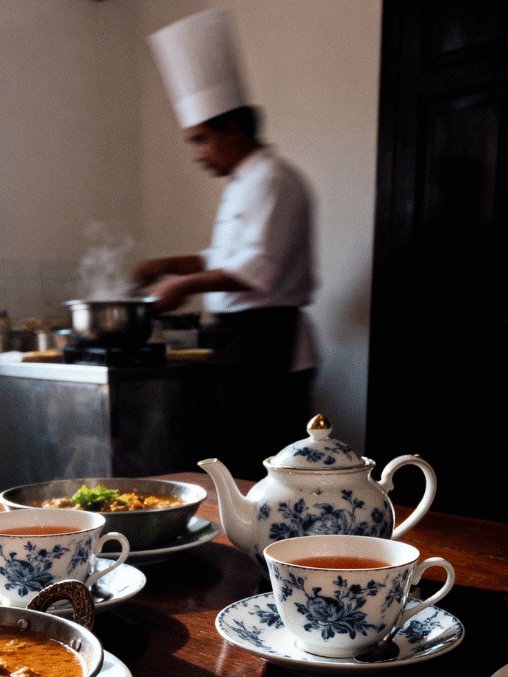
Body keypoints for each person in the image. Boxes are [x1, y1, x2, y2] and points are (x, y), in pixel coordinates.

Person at [141, 10, 317, 475]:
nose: (197, 154)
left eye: (200, 140)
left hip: (267, 341)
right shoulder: (244, 182)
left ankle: (266, 548)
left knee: (259, 461)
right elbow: (221, 259)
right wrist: (166, 264)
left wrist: (180, 288)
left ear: (232, 129)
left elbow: (258, 270)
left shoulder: (273, 180)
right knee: (232, 458)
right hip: (240, 340)